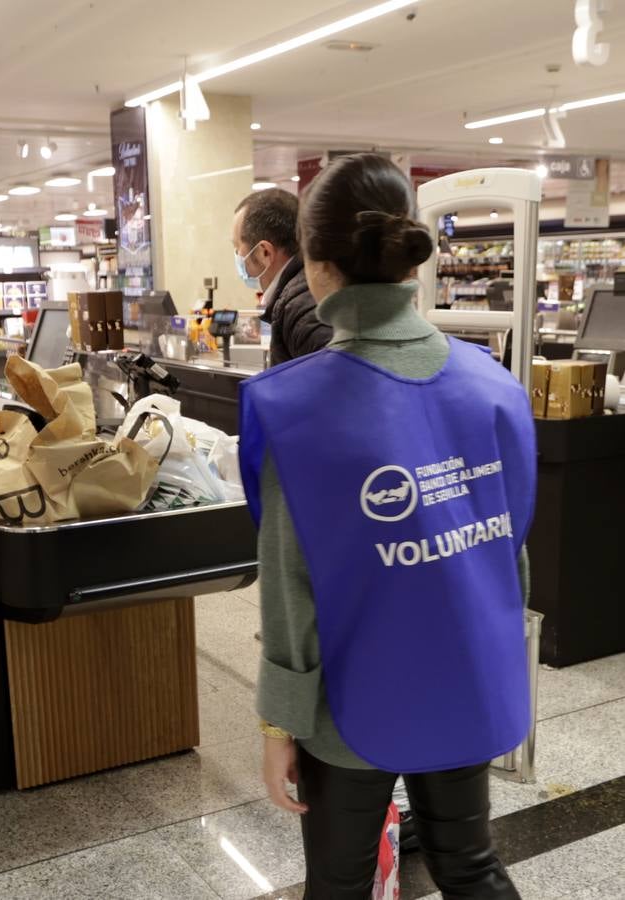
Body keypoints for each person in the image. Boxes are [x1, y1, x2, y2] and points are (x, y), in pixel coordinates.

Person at [238, 153, 533, 899]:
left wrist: (279, 725)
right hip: (465, 674)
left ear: (313, 262)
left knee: (337, 881)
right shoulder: (494, 386)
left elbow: (289, 586)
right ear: (407, 258)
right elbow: (506, 548)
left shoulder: (293, 408)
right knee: (468, 864)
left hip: (351, 700)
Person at [232, 188, 331, 365]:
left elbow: (333, 380)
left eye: (237, 247)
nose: (237, 255)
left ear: (264, 253)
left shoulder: (301, 309)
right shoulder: (297, 295)